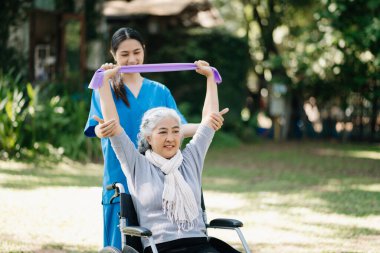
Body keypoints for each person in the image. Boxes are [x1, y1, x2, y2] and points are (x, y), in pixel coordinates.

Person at [84, 27, 227, 250]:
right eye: (124, 54)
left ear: (144, 51)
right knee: (122, 238)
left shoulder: (160, 90)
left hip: (160, 174)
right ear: (113, 55)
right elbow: (104, 128)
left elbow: (176, 127)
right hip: (123, 172)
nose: (132, 59)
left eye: (136, 52)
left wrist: (207, 125)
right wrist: (105, 129)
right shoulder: (105, 87)